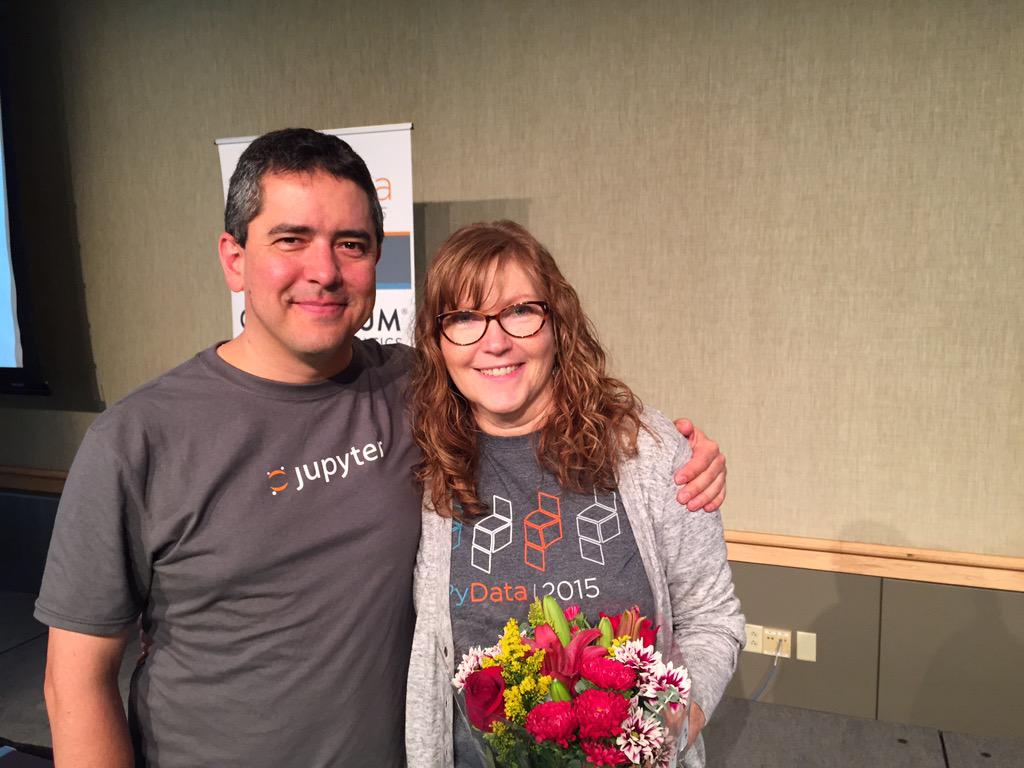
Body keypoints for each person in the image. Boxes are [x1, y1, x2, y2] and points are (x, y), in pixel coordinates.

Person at [34, 129, 727, 768]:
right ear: (234, 259)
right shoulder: (138, 440)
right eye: (291, 239)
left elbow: (532, 396)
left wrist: (682, 453)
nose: (324, 270)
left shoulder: (413, 392)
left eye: (351, 244)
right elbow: (75, 682)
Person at [405, 221, 745, 768]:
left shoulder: (647, 451)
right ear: (437, 341)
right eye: (465, 317)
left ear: (558, 322)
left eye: (520, 310)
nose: (495, 341)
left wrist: (667, 725)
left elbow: (711, 617)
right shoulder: (422, 461)